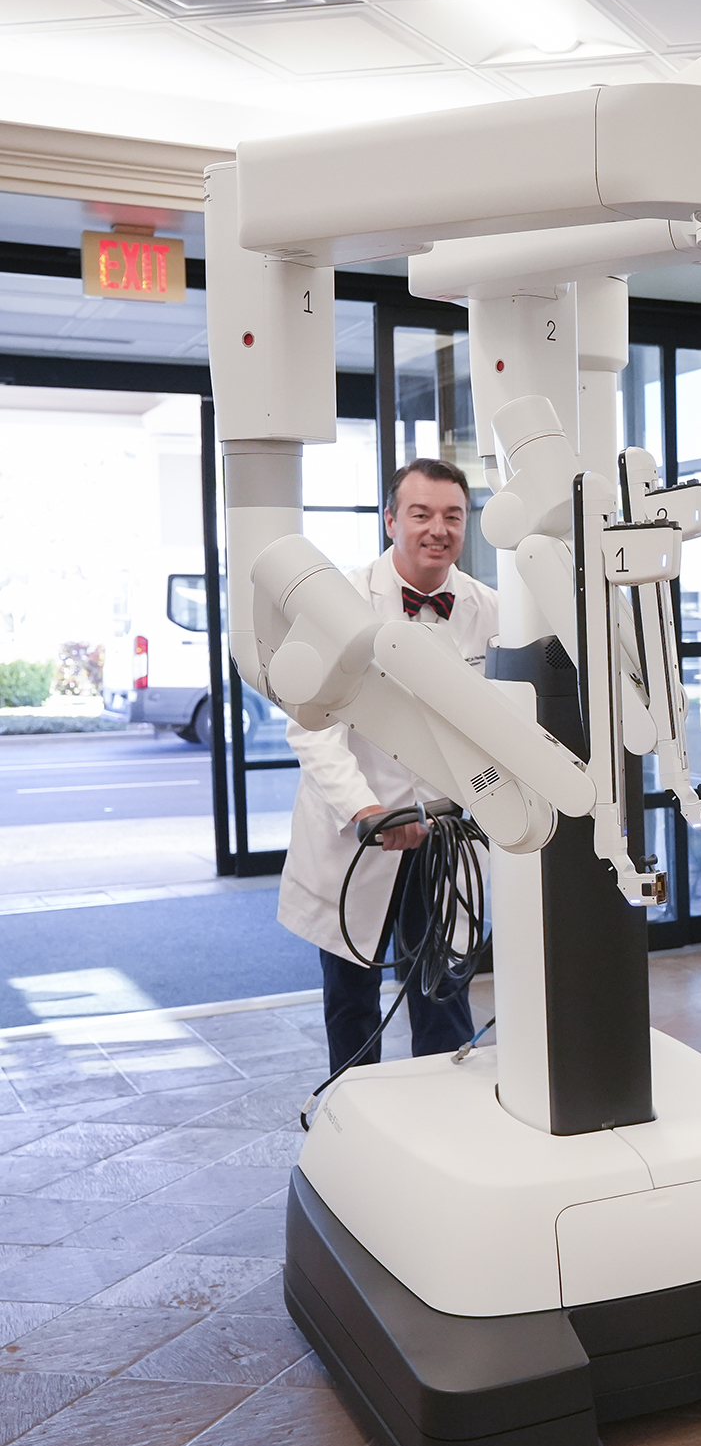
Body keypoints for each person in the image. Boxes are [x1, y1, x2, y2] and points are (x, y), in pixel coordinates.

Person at [278, 458, 499, 1074]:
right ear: (390, 520)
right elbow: (313, 727)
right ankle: (353, 1123)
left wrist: (473, 802)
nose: (439, 529)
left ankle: (445, 1126)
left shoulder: (491, 610)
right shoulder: (341, 603)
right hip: (360, 830)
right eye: (421, 513)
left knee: (442, 991)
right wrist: (367, 810)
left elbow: (499, 732)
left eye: (453, 516)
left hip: (446, 834)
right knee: (352, 998)